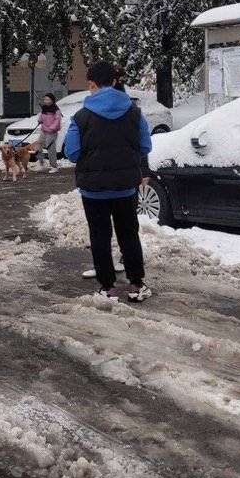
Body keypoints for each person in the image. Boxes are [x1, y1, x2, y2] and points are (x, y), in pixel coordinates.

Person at [64, 60, 153, 302]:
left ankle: (107, 287)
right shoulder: (135, 113)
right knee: (129, 234)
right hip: (125, 188)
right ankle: (136, 285)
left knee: (100, 236)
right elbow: (146, 145)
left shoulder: (80, 117)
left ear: (91, 84)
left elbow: (71, 152)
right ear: (114, 81)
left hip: (93, 191)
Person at [35, 93, 63, 170]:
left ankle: (54, 166)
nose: (46, 101)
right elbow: (41, 117)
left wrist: (51, 128)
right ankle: (41, 163)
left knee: (51, 149)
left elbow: (57, 121)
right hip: (43, 132)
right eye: (45, 99)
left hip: (52, 133)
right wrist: (39, 120)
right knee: (37, 147)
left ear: (52, 100)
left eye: (47, 99)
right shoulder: (44, 109)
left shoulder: (56, 110)